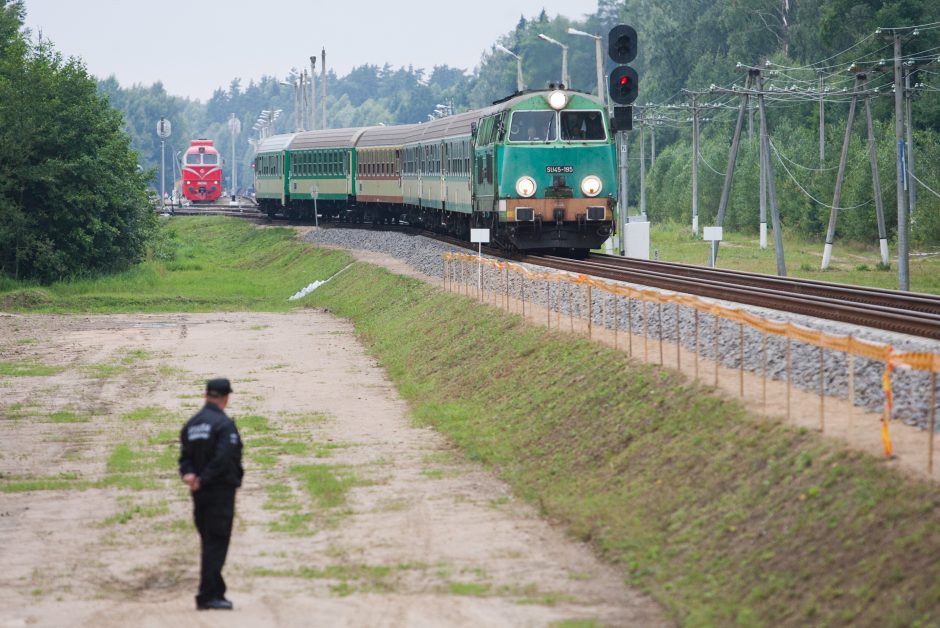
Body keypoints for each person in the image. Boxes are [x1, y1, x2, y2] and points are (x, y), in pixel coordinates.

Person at [179, 378, 243, 611]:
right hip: (218, 490)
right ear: (226, 398)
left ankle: (216, 589)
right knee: (217, 541)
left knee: (209, 541)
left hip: (198, 492)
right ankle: (207, 596)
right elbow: (223, 458)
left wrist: (189, 475)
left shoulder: (192, 424)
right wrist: (204, 478)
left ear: (205, 394)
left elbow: (184, 457)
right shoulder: (223, 425)